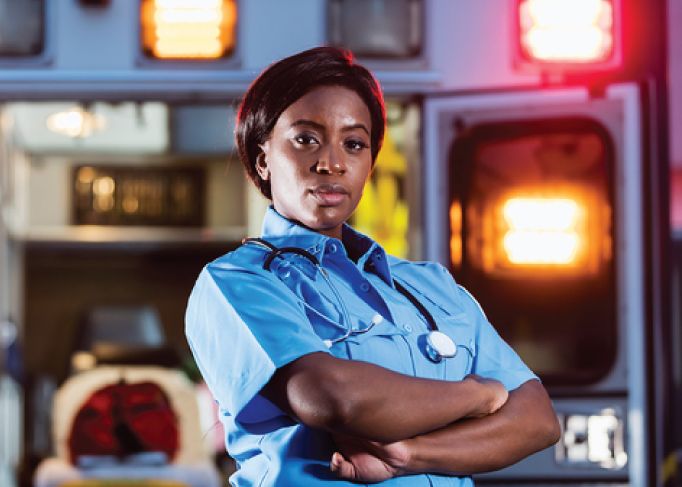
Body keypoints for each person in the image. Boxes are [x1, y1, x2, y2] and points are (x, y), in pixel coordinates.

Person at [185, 46, 560, 486]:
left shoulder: (431, 285)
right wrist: (479, 394)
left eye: (354, 144)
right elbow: (333, 398)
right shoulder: (240, 281)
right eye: (306, 139)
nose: (331, 163)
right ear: (263, 156)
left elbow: (537, 420)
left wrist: (412, 455)